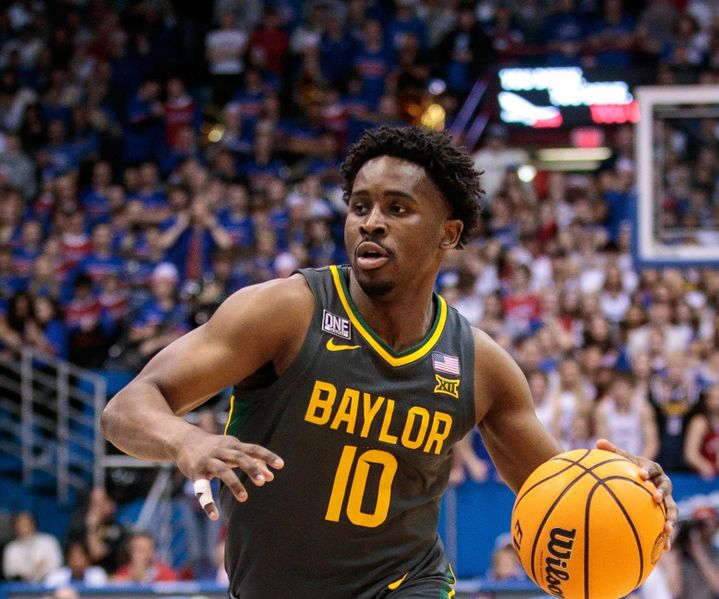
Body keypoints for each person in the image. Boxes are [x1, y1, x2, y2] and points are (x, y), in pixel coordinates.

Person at [101, 126, 676, 599]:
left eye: (397, 208)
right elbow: (126, 409)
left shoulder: (481, 366)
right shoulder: (285, 312)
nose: (371, 221)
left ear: (448, 234)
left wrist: (629, 492)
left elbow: (557, 494)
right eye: (360, 206)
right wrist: (187, 443)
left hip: (408, 584)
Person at [2, 512, 63, 583]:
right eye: (20, 525)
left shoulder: (49, 541)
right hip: (20, 587)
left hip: (48, 585)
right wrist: (31, 572)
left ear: (33, 525)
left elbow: (57, 564)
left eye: (26, 524)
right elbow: (10, 572)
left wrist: (41, 571)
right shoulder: (11, 548)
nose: (23, 528)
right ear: (15, 527)